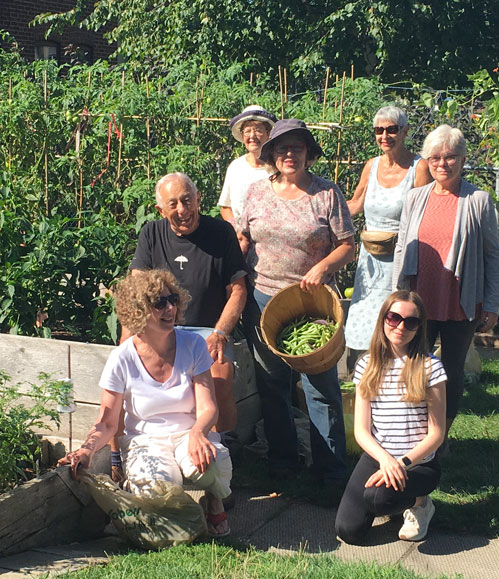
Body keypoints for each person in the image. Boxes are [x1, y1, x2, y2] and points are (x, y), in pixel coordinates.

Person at [59, 270, 233, 537]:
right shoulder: (122, 358)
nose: (171, 308)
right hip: (145, 441)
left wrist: (199, 432)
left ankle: (212, 497)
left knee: (212, 466)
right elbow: (107, 421)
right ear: (138, 311)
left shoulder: (193, 345)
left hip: (189, 433)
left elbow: (208, 406)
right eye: (160, 303)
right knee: (158, 489)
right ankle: (182, 507)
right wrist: (87, 450)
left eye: (173, 299)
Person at [237, 118, 356, 484]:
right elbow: (244, 239)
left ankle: (331, 469)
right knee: (273, 385)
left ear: (308, 153)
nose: (290, 155)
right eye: (283, 149)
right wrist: (231, 277)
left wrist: (323, 267)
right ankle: (284, 461)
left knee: (321, 387)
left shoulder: (326, 194)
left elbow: (349, 246)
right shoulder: (257, 192)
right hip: (263, 300)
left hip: (312, 304)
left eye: (298, 148)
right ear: (272, 154)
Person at [109, 172, 247, 482]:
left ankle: (219, 449)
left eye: (187, 200)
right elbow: (135, 289)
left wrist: (221, 332)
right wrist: (127, 340)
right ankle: (119, 453)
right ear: (161, 209)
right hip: (159, 328)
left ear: (198, 199)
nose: (183, 210)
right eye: (173, 204)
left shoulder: (221, 233)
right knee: (123, 376)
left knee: (220, 374)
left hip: (207, 329)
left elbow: (238, 290)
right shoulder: (152, 234)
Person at [392, 124, 499, 433]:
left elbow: (493, 256)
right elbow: (402, 245)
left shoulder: (478, 200)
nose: (443, 164)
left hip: (459, 299)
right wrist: (397, 296)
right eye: (435, 157)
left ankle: (442, 436)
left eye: (451, 157)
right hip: (419, 299)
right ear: (426, 161)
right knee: (414, 365)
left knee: (450, 371)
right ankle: (413, 430)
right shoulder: (415, 198)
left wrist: (492, 304)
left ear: (463, 160)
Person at [335, 290, 446, 544]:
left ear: (419, 327)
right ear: (383, 319)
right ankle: (395, 498)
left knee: (378, 498)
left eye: (411, 321)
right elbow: (362, 430)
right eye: (394, 317)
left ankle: (420, 504)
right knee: (347, 530)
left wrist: (401, 463)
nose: (401, 326)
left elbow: (437, 434)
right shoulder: (367, 364)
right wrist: (385, 460)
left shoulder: (430, 367)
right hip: (379, 457)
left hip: (417, 462)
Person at [344, 106, 431, 356]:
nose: (385, 136)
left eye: (392, 129)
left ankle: (398, 380)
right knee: (366, 315)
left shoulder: (419, 167)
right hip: (370, 258)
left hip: (401, 257)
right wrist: (325, 214)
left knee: (397, 316)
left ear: (405, 132)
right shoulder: (371, 166)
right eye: (379, 130)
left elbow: (423, 214)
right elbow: (356, 203)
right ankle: (364, 375)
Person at [218, 105, 277, 255]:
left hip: (270, 242)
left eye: (258, 130)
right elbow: (225, 207)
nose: (252, 136)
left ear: (268, 133)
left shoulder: (277, 168)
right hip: (240, 240)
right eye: (247, 131)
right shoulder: (236, 167)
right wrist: (236, 228)